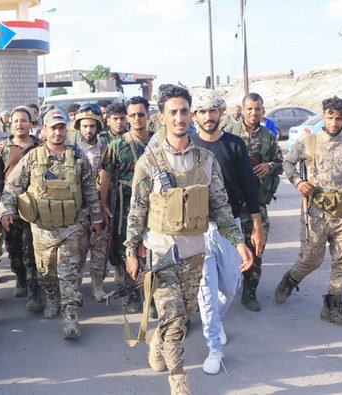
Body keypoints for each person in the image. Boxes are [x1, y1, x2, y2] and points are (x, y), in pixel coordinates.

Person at [124, 85, 252, 394]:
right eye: (173, 112)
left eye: (184, 111)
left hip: (196, 252)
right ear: (162, 118)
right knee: (175, 320)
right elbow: (136, 210)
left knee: (184, 315)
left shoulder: (206, 160)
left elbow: (221, 207)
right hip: (162, 254)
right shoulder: (149, 163)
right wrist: (131, 250)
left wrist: (238, 242)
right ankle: (179, 381)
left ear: (190, 114)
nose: (180, 118)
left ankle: (157, 341)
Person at [0, 109, 102, 339]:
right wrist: (6, 210)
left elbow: (89, 191)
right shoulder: (32, 158)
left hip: (72, 227)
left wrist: (96, 219)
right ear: (43, 130)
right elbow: (12, 187)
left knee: (69, 275)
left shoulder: (77, 158)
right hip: (43, 228)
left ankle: (71, 317)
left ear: (67, 129)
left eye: (61, 127)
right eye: (52, 127)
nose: (57, 132)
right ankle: (52, 297)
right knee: (46, 272)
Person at [191, 89, 266, 375]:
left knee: (231, 285)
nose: (208, 117)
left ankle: (215, 320)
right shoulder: (190, 146)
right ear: (195, 115)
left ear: (221, 112)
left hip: (229, 226)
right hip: (197, 230)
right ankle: (213, 347)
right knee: (206, 291)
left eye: (213, 110)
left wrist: (257, 227)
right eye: (202, 111)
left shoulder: (234, 145)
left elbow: (249, 187)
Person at [275, 96, 342, 329]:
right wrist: (299, 182)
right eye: (330, 117)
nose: (334, 122)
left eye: (339, 118)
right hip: (316, 212)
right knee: (311, 260)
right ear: (323, 116)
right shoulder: (309, 143)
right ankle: (290, 280)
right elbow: (288, 164)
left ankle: (333, 303)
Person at [228, 93, 284, 311]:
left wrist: (269, 166)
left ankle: (250, 292)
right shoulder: (228, 134)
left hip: (256, 202)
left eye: (258, 109)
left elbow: (280, 163)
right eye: (250, 109)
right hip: (230, 201)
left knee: (257, 246)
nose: (254, 113)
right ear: (242, 110)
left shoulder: (269, 136)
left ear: (262, 110)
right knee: (227, 248)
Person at [99, 96, 154, 311]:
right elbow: (105, 175)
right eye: (133, 115)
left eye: (141, 114)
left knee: (154, 248)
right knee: (127, 250)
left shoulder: (159, 142)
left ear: (148, 116)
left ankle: (153, 296)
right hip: (125, 205)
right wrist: (103, 204)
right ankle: (133, 296)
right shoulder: (117, 145)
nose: (137, 118)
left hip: (155, 204)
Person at [0, 107, 41, 310]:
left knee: (31, 249)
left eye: (24, 121)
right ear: (10, 125)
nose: (20, 124)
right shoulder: (2, 148)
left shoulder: (41, 146)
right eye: (16, 121)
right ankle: (20, 277)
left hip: (34, 205)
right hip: (10, 204)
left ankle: (34, 290)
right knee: (13, 249)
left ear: (31, 124)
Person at [74, 104, 109, 301]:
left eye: (93, 126)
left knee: (99, 248)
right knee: (78, 249)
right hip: (79, 207)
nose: (89, 130)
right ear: (78, 127)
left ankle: (97, 286)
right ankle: (75, 286)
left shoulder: (105, 149)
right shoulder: (72, 150)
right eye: (85, 126)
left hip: (99, 204)